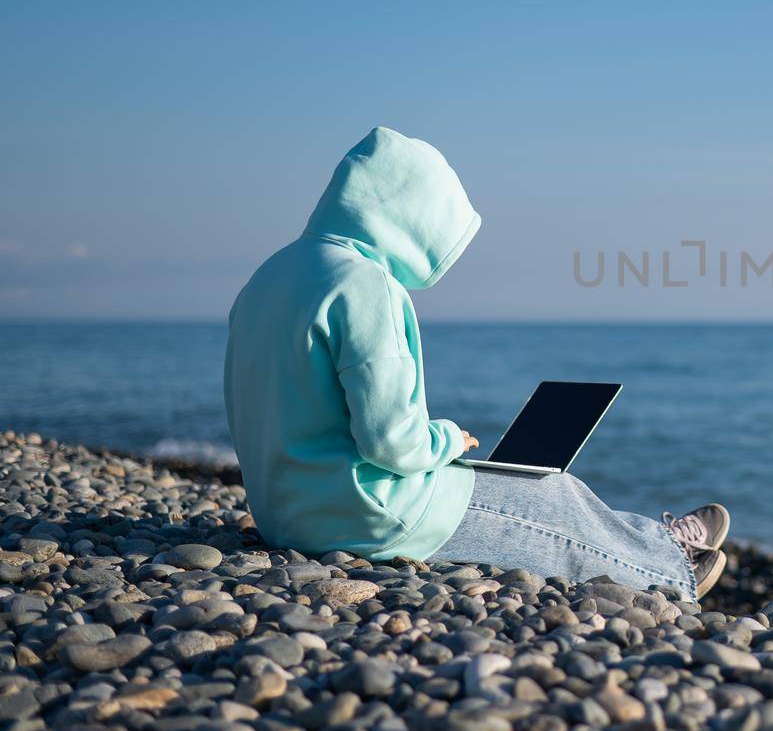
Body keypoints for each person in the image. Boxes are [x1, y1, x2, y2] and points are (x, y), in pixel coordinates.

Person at [224, 126, 730, 598]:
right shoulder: (362, 284)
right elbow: (392, 445)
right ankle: (670, 571)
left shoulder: (270, 275)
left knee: (540, 489)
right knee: (554, 496)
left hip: (283, 512)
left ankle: (654, 538)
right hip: (365, 514)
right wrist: (449, 439)